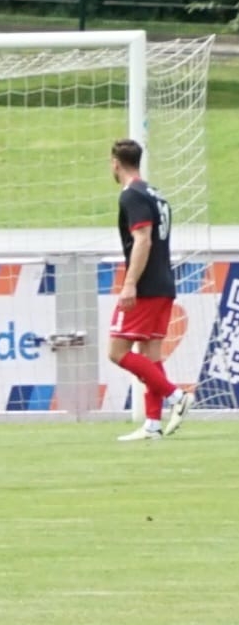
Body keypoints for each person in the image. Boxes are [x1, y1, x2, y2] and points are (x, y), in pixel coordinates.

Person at [107, 139, 194, 441]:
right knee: (150, 355)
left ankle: (176, 396)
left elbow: (143, 239)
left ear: (115, 163)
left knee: (117, 352)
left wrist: (130, 282)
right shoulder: (156, 194)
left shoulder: (131, 195)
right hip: (163, 283)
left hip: (144, 287)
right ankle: (152, 425)